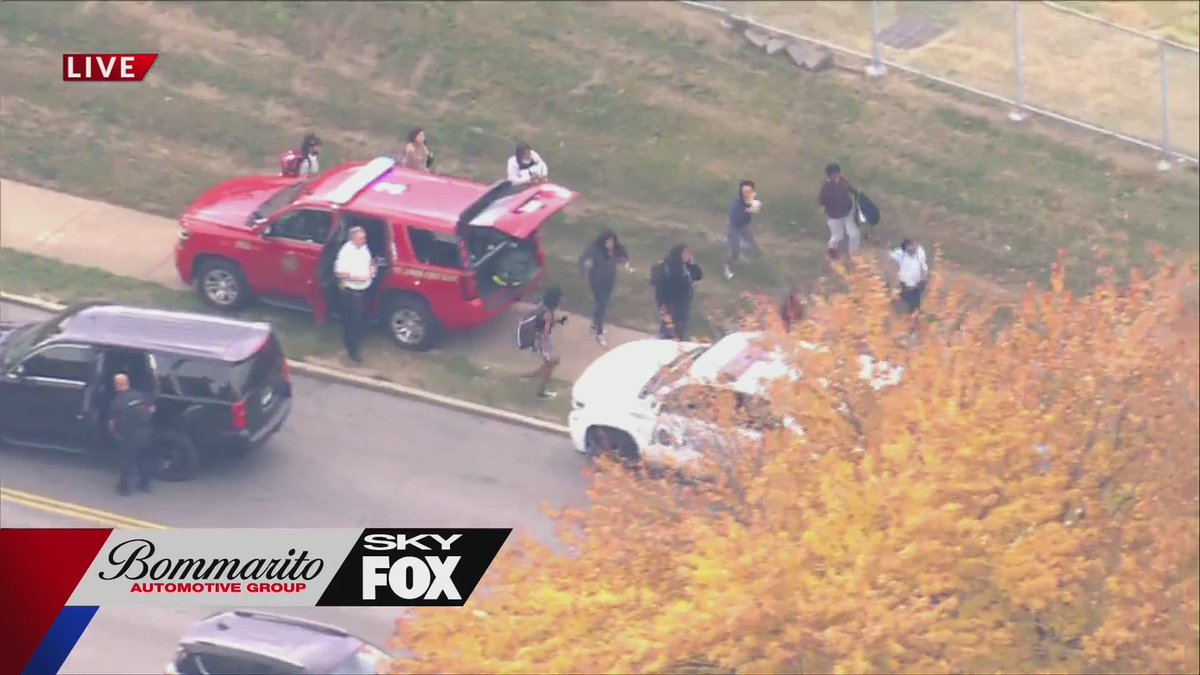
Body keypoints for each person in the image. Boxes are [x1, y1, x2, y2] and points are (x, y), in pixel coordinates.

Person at [578, 230, 632, 346]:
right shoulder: (594, 249)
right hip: (597, 280)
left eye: (612, 241)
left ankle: (594, 322)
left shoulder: (616, 248)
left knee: (602, 303)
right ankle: (599, 332)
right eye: (607, 242)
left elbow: (624, 254)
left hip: (610, 279)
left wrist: (625, 262)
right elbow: (582, 260)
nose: (610, 244)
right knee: (602, 303)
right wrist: (584, 274)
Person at [108, 373, 155, 496]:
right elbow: (152, 409)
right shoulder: (141, 396)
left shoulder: (117, 402)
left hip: (129, 436)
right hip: (145, 434)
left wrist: (115, 435)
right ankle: (145, 485)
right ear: (128, 382)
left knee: (126, 462)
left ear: (116, 385)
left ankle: (125, 488)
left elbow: (112, 423)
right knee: (144, 460)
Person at [334, 226, 376, 363]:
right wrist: (360, 278)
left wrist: (372, 269)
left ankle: (356, 340)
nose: (364, 239)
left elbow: (367, 262)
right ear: (353, 238)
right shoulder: (346, 252)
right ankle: (353, 350)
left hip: (363, 290)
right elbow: (340, 273)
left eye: (364, 237)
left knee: (360, 319)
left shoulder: (364, 248)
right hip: (350, 292)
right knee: (351, 322)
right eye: (361, 237)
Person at [520, 287, 567, 399]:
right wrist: (545, 350)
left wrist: (558, 321)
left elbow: (543, 322)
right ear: (555, 299)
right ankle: (542, 390)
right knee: (551, 364)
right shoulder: (549, 313)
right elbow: (545, 330)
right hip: (543, 341)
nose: (562, 300)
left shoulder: (542, 306)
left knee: (550, 364)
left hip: (539, 339)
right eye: (560, 298)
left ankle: (528, 377)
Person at [652, 244, 704, 341]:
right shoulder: (669, 266)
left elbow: (698, 276)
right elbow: (662, 285)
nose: (688, 255)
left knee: (680, 329)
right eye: (685, 253)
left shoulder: (687, 266)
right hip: (671, 303)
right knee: (668, 329)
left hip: (684, 303)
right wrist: (662, 304)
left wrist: (693, 264)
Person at [818, 162, 860, 260]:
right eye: (836, 173)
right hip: (834, 216)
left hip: (847, 213)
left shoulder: (842, 181)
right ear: (830, 175)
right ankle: (831, 255)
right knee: (837, 237)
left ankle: (854, 256)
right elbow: (822, 200)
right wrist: (823, 206)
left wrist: (857, 193)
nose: (838, 175)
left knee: (853, 234)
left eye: (839, 173)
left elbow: (851, 189)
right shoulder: (826, 187)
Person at [724, 179, 762, 280]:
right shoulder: (737, 204)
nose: (747, 194)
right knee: (735, 249)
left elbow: (757, 207)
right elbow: (736, 216)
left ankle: (750, 263)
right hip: (733, 227)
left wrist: (751, 207)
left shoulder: (752, 201)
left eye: (749, 191)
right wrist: (748, 209)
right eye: (745, 192)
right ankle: (727, 268)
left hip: (744, 226)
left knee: (754, 247)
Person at [890, 238, 929, 317]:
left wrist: (924, 279)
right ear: (906, 247)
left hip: (916, 287)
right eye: (910, 246)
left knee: (914, 309)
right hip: (904, 285)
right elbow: (890, 255)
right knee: (901, 306)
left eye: (913, 246)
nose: (912, 248)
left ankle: (913, 319)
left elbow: (924, 268)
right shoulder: (901, 254)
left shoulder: (920, 253)